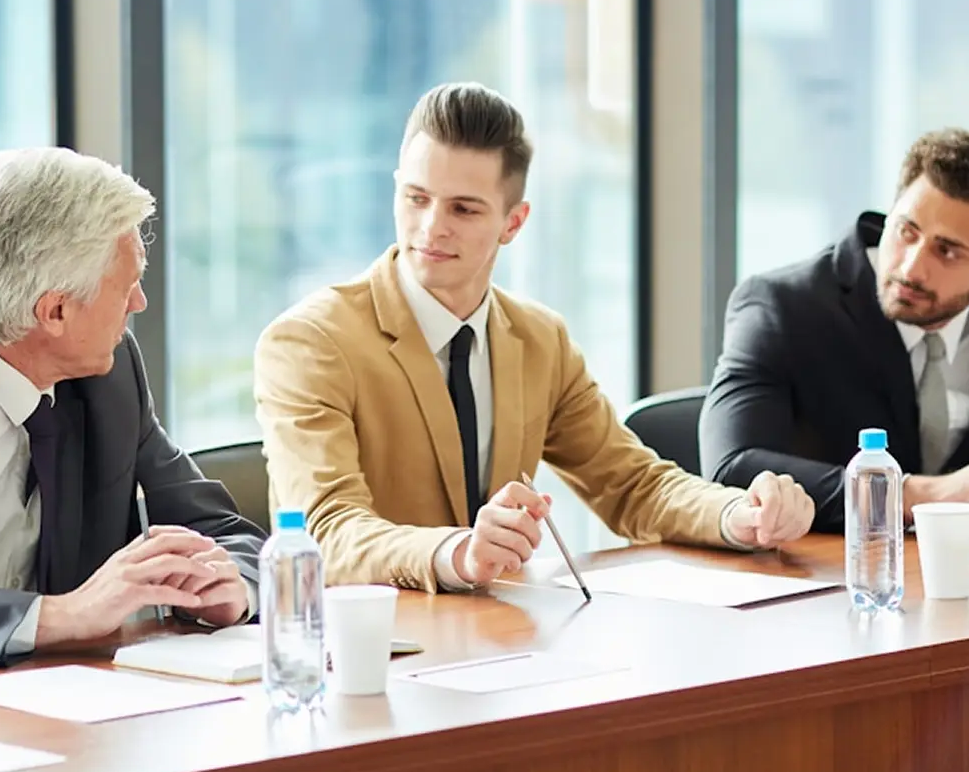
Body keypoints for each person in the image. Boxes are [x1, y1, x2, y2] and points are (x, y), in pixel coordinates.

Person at [256, 83, 813, 591]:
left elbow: (631, 485)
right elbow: (326, 531)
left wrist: (740, 515)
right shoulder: (310, 342)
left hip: (502, 643)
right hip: (366, 652)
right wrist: (457, 552)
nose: (431, 227)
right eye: (417, 198)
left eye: (463, 209)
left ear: (513, 223)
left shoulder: (538, 338)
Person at [0, 148, 264, 665]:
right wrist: (59, 616)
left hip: (65, 707)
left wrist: (230, 587)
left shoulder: (109, 377)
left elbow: (226, 533)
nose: (139, 304)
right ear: (54, 310)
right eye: (126, 287)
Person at [700, 129, 969, 534]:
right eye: (906, 232)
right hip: (819, 570)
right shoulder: (782, 306)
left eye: (946, 251)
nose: (911, 268)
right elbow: (731, 466)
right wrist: (915, 495)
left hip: (967, 570)